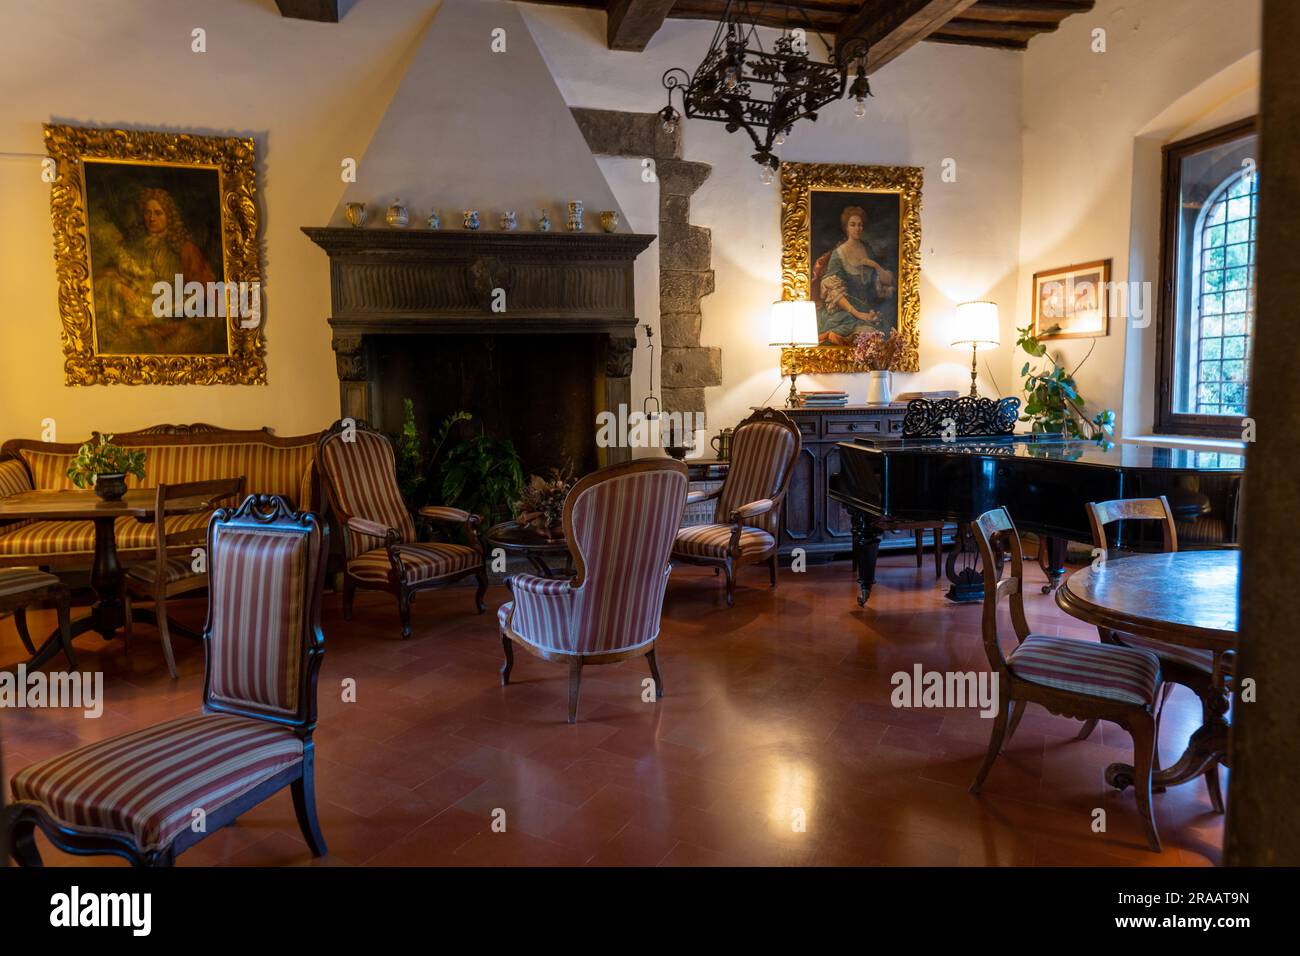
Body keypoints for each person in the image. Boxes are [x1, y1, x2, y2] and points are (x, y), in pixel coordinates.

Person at [815, 205, 896, 345]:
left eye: (860, 225)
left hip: (867, 307)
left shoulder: (867, 249)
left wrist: (875, 266)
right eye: (853, 225)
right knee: (865, 334)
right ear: (846, 227)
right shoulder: (839, 254)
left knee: (885, 335)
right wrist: (859, 314)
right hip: (846, 311)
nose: (857, 228)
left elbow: (887, 282)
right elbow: (834, 292)